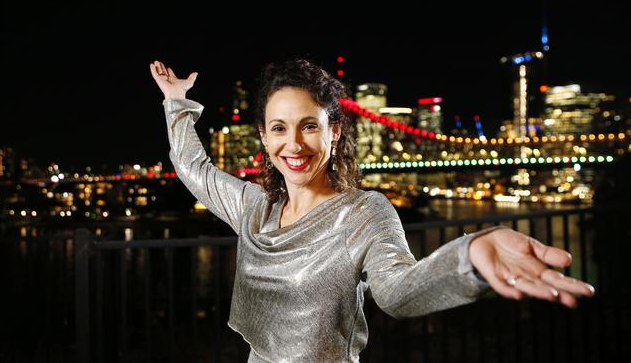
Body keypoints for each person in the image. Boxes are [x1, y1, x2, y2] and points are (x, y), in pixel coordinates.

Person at [149, 59, 595, 362]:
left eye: (309, 126)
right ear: (264, 139)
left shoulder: (363, 212)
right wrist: (176, 102)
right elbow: (192, 167)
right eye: (279, 129)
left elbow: (399, 292)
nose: (294, 144)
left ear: (335, 132)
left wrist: (468, 256)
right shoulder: (253, 208)